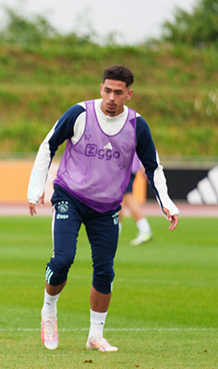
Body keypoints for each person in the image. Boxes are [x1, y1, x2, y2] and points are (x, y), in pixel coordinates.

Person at [27, 65, 179, 352]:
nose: (111, 97)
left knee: (105, 271)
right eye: (107, 90)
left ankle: (95, 335)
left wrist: (166, 203)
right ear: (101, 89)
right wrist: (36, 189)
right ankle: (49, 311)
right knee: (63, 259)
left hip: (107, 207)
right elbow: (48, 146)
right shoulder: (79, 114)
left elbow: (153, 166)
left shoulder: (137, 125)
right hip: (70, 197)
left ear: (129, 94)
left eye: (118, 92)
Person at [121, 154, 153, 246]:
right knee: (120, 200)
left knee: (128, 198)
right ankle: (114, 231)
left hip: (126, 168)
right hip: (128, 167)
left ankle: (145, 230)